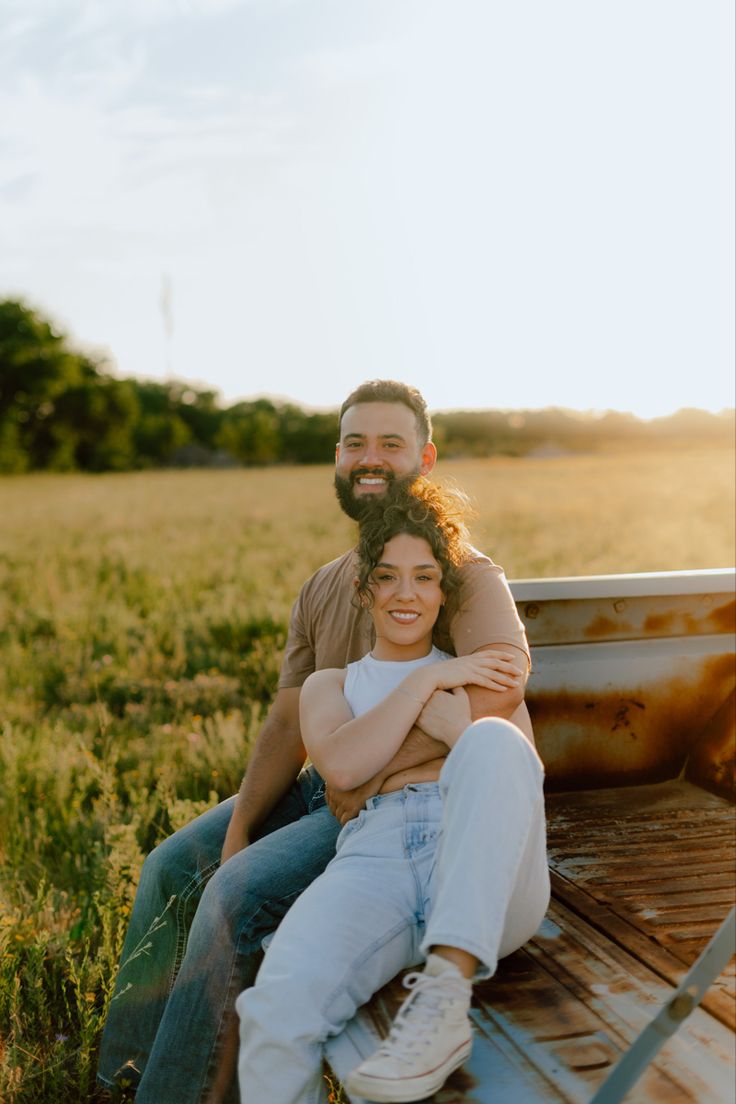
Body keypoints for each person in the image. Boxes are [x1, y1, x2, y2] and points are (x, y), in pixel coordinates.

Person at [96, 380, 531, 1104]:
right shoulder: (327, 585)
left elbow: (498, 693)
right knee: (175, 867)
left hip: (385, 801)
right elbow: (285, 722)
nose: (370, 458)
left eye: (390, 444)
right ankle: (126, 1075)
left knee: (236, 896)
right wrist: (239, 828)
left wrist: (365, 774)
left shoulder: (464, 573)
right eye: (355, 443)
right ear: (337, 458)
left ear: (424, 458)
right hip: (325, 779)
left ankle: (180, 1095)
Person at [236, 483, 549, 1103]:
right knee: (273, 1012)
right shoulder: (332, 685)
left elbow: (512, 767)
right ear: (364, 590)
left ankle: (444, 997)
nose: (407, 594)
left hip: (483, 864)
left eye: (425, 578)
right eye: (387, 577)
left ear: (443, 592)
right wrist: (430, 683)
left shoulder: (483, 675)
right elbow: (344, 768)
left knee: (491, 742)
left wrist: (460, 724)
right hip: (374, 858)